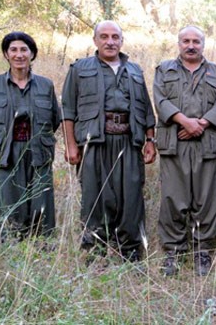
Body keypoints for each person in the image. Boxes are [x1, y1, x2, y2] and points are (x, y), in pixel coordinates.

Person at [62, 21, 156, 263]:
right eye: (104, 36)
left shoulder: (135, 70)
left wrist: (150, 140)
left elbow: (146, 109)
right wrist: (72, 145)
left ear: (121, 41)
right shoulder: (80, 69)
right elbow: (68, 110)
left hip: (129, 141)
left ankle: (131, 252)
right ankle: (95, 253)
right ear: (95, 40)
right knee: (95, 197)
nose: (110, 41)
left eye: (115, 36)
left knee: (131, 197)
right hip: (95, 143)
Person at [153, 26, 216, 276]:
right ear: (178, 43)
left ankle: (202, 251)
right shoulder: (164, 70)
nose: (191, 45)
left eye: (196, 41)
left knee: (205, 200)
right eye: (186, 40)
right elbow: (160, 99)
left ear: (203, 44)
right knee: (173, 198)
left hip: (205, 144)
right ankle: (173, 251)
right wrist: (185, 122)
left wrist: (201, 124)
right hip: (174, 143)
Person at [0, 32, 60, 242]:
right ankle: (12, 252)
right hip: (6, 155)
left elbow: (55, 119)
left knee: (41, 207)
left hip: (38, 152)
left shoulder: (45, 85)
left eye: (24, 49)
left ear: (32, 53)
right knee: (10, 206)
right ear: (6, 54)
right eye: (13, 50)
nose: (19, 55)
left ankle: (43, 253)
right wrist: (3, 141)